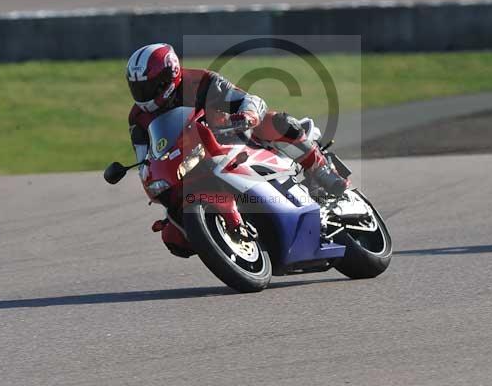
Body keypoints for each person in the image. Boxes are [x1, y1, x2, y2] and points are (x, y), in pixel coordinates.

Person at [125, 43, 349, 251]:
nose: (145, 95)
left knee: (277, 123)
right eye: (139, 89)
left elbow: (247, 99)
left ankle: (321, 170)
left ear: (170, 74)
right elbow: (145, 158)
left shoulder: (200, 81)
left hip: (234, 138)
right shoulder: (138, 118)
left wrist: (248, 115)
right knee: (174, 238)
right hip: (190, 163)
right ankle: (220, 235)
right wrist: (150, 177)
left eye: (150, 86)